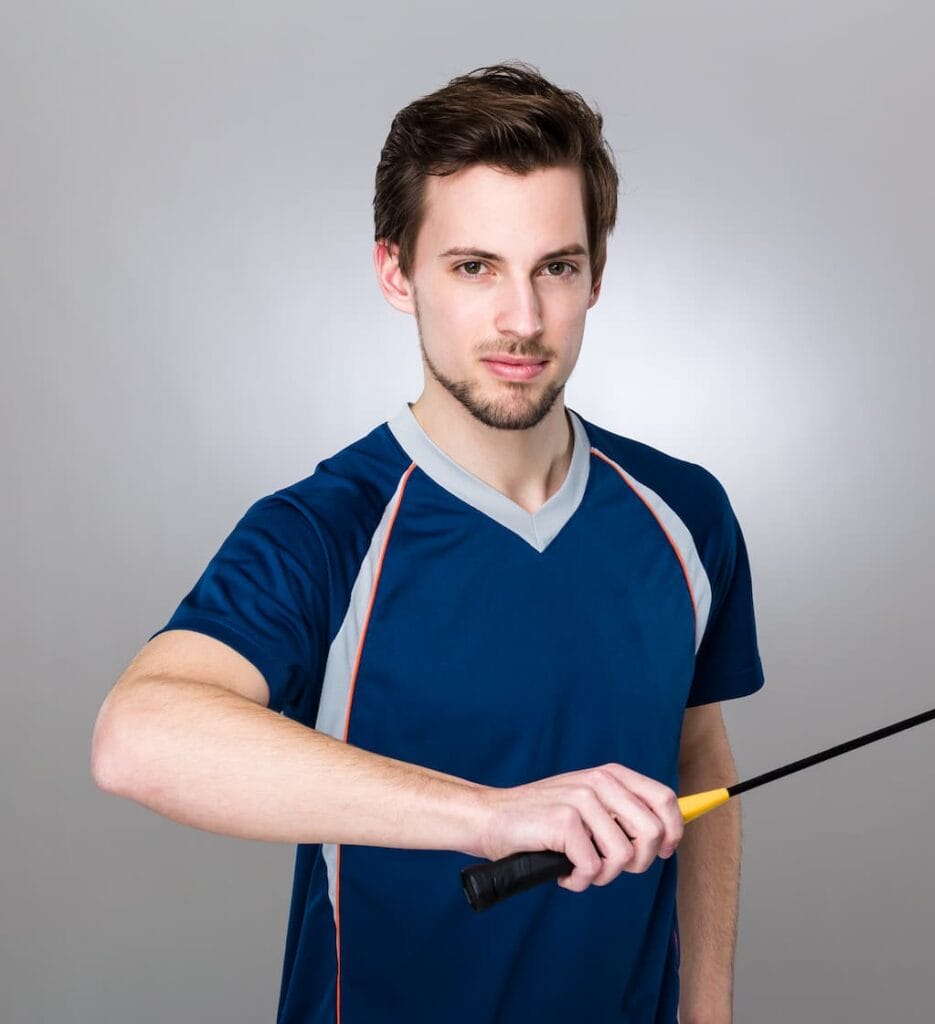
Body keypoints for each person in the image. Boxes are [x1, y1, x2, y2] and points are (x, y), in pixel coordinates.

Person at [90, 61, 764, 1023]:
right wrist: (486, 816)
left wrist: (709, 1013)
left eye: (555, 268)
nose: (521, 320)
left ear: (595, 277)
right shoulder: (325, 527)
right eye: (473, 267)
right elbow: (137, 738)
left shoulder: (685, 511)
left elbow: (698, 756)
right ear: (397, 274)